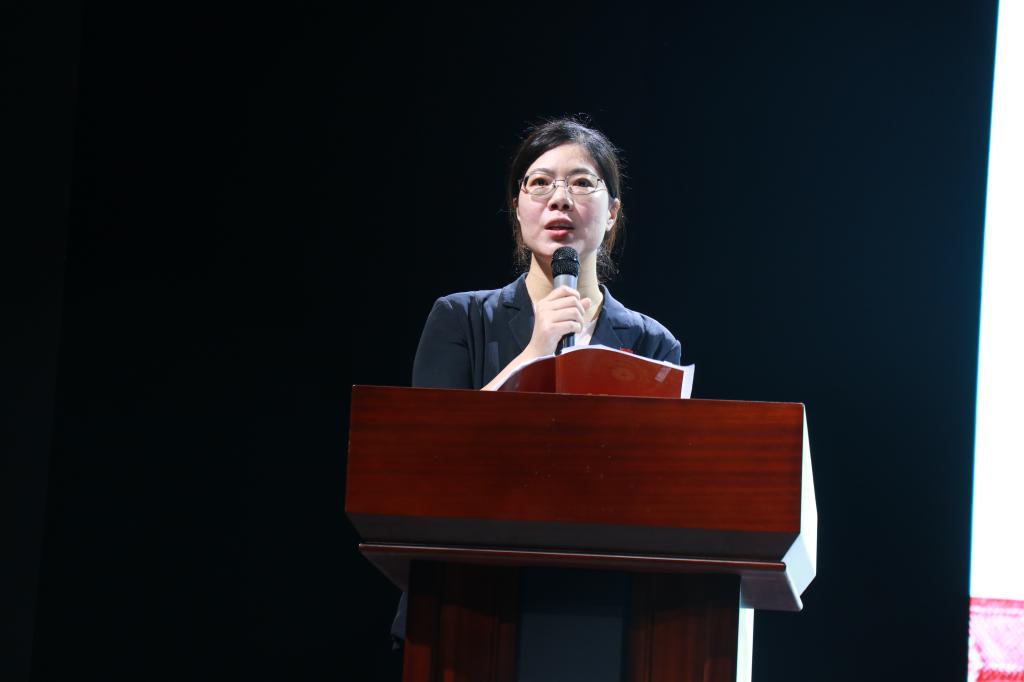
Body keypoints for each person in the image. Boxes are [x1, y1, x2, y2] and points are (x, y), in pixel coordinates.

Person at [391, 117, 681, 644]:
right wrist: (535, 350)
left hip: (601, 602)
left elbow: (657, 488)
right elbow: (428, 454)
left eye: (582, 182)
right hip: (465, 590)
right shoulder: (460, 318)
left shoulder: (653, 345)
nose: (559, 199)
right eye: (540, 182)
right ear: (518, 207)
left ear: (612, 213)